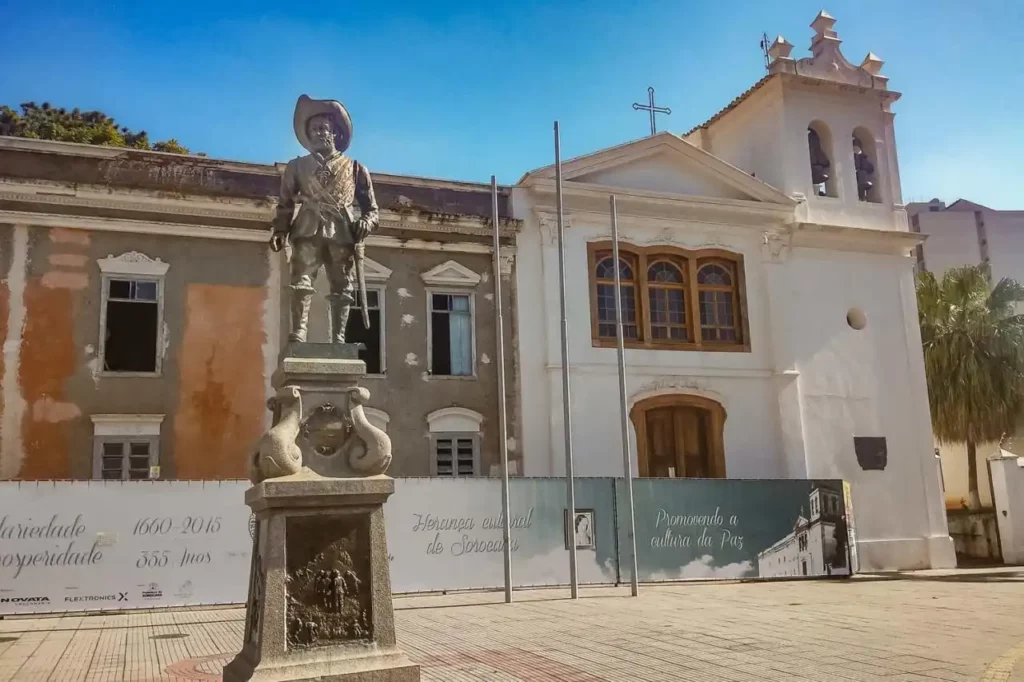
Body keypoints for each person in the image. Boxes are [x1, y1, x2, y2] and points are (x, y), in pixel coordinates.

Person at [271, 95, 379, 343]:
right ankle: (299, 331)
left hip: (342, 232)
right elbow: (285, 204)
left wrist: (366, 223)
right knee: (301, 282)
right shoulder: (296, 167)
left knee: (342, 286)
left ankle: (338, 337)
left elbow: (372, 209)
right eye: (313, 130)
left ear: (335, 134)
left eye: (323, 129)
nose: (318, 134)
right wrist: (279, 231)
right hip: (307, 230)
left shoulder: (355, 169)